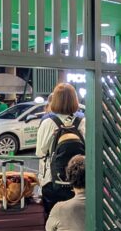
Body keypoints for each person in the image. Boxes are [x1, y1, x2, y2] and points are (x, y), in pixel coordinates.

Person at [36, 83, 85, 216]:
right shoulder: (83, 120)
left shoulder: (47, 121)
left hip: (53, 181)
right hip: (81, 182)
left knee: (53, 217)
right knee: (80, 218)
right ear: (75, 99)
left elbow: (40, 152)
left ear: (55, 99)